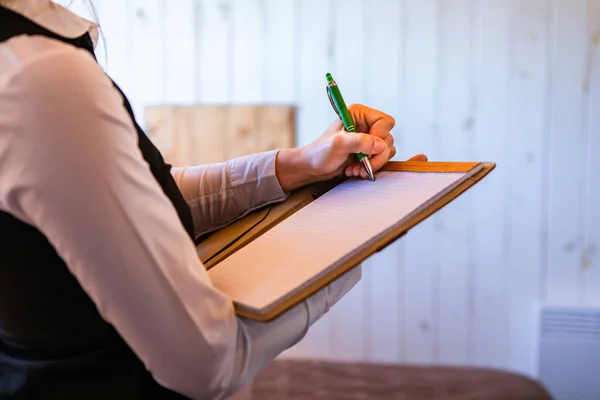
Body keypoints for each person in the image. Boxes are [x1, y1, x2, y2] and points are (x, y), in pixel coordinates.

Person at [0, 0, 427, 399]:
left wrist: (300, 165)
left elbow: (140, 196)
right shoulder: (39, 78)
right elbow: (207, 362)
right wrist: (353, 245)